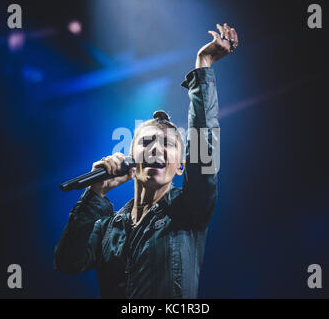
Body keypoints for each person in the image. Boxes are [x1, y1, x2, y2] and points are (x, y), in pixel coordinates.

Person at [54, 23, 239, 298]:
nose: (157, 149)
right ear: (132, 159)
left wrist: (203, 65)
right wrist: (95, 194)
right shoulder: (108, 226)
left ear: (180, 167)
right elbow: (68, 262)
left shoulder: (187, 211)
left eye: (168, 144)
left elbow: (203, 149)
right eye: (147, 142)